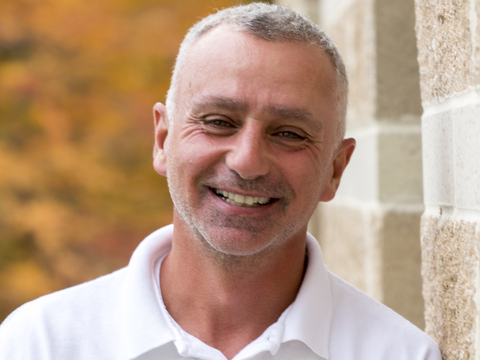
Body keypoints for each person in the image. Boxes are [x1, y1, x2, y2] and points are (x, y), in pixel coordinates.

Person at [0, 3, 441, 360]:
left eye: (288, 133)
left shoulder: (399, 353)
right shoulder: (39, 344)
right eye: (218, 122)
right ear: (162, 138)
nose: (247, 161)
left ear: (335, 169)